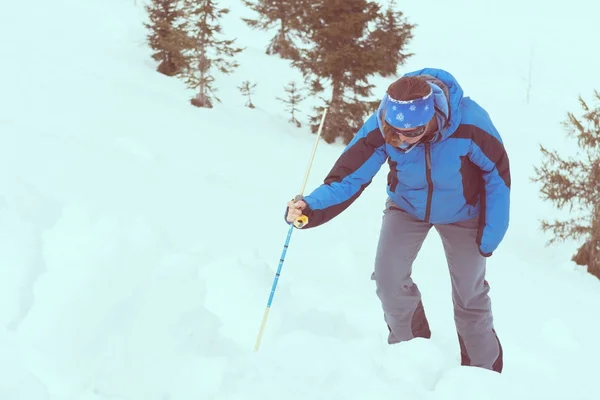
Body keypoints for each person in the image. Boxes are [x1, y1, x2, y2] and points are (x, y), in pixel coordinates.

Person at [285, 68, 510, 373]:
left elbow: (497, 176)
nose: (404, 139)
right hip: (406, 206)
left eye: (413, 132)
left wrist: (491, 231)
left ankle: (482, 375)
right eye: (397, 131)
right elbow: (349, 177)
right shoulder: (382, 127)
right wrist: (310, 206)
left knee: (470, 295)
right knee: (388, 278)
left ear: (432, 116)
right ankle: (410, 355)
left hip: (463, 212)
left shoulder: (470, 123)